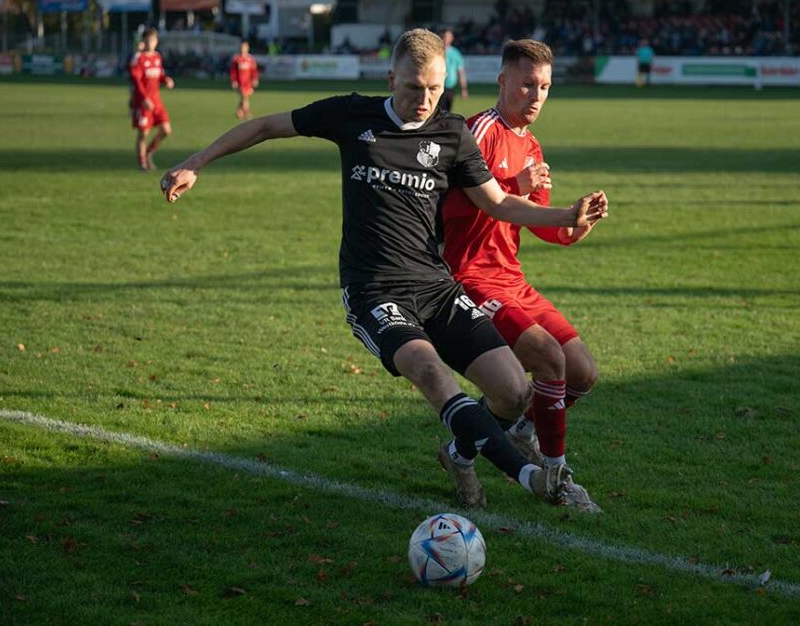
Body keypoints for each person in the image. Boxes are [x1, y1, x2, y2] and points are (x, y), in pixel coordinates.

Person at [159, 29, 609, 510]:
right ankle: (533, 478)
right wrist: (196, 161)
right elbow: (267, 126)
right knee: (431, 371)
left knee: (514, 390)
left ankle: (459, 458)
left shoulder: (451, 132)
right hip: (375, 290)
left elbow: (498, 203)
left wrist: (567, 216)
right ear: (391, 78)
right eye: (414, 87)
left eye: (435, 89)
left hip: (436, 285)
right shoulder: (352, 114)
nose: (425, 99)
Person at [442, 39, 602, 513]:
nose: (536, 96)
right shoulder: (477, 132)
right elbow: (447, 209)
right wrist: (515, 186)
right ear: (503, 82)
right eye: (528, 84)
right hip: (469, 277)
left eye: (546, 87)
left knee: (583, 373)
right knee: (548, 359)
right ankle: (557, 476)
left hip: (511, 277)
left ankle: (479, 445)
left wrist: (577, 225)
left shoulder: (531, 145)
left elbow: (535, 221)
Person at [130, 27, 174, 171]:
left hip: (157, 101)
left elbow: (160, 74)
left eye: (153, 40)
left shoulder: (157, 57)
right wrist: (144, 98)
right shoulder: (138, 58)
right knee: (143, 133)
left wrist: (166, 79)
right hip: (144, 103)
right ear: (144, 41)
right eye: (148, 40)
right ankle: (142, 161)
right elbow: (136, 81)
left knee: (166, 130)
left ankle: (149, 151)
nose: (151, 43)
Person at [438, 28, 468, 113]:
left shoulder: (456, 53)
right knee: (439, 110)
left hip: (450, 87)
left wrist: (464, 88)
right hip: (438, 85)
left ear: (452, 38)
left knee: (448, 111)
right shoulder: (436, 51)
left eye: (448, 37)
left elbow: (461, 72)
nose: (446, 39)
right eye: (444, 36)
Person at [229, 41, 260, 119]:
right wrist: (234, 81)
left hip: (248, 82)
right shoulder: (237, 59)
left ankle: (239, 111)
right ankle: (247, 113)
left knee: (244, 98)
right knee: (245, 97)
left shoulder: (251, 59)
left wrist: (255, 79)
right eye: (242, 47)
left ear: (248, 48)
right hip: (240, 82)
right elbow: (233, 71)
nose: (243, 49)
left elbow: (254, 71)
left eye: (245, 47)